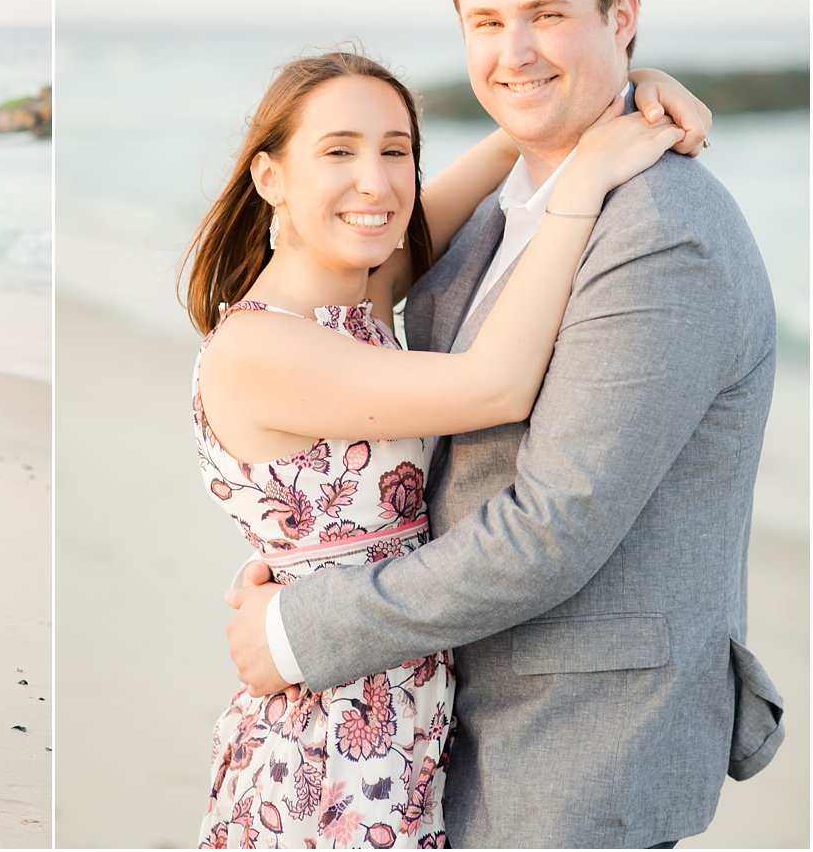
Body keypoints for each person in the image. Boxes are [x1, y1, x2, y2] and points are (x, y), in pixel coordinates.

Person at [225, 0, 784, 847]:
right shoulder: (507, 206)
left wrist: (298, 629)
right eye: (483, 22)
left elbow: (551, 529)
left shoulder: (661, 234)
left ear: (622, 14)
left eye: (544, 15)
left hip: (570, 748)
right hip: (436, 711)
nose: (511, 50)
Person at [185, 47, 707, 847]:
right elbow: (496, 385)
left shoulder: (362, 285)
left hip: (399, 713)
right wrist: (587, 183)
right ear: (269, 178)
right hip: (328, 746)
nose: (377, 182)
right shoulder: (261, 349)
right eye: (338, 150)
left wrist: (625, 91)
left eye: (396, 150)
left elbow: (511, 138)